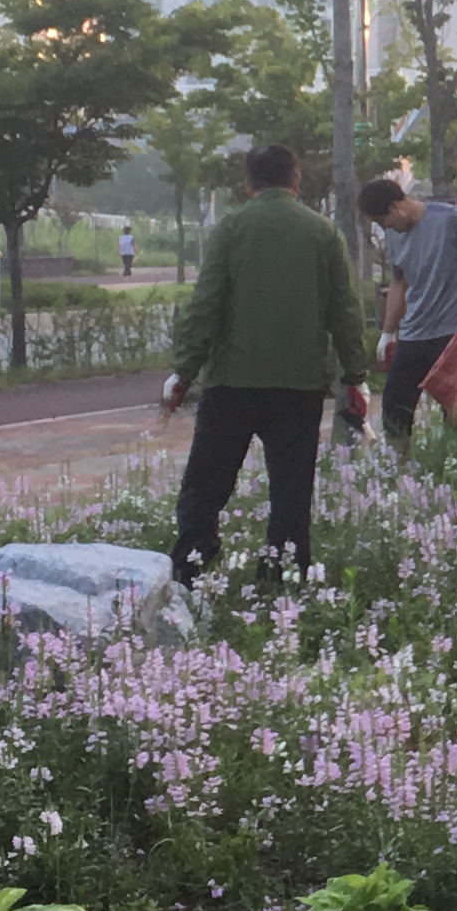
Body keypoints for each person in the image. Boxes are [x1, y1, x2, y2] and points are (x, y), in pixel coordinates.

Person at [161, 142, 373, 584]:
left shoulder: (231, 228)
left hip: (232, 382)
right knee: (291, 490)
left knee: (206, 486)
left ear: (248, 183)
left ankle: (190, 570)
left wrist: (184, 370)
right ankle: (282, 576)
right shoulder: (322, 232)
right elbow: (346, 312)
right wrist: (355, 375)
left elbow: (206, 304)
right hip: (298, 386)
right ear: (296, 180)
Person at [362, 172, 457, 447]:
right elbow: (400, 283)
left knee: (456, 410)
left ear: (394, 207)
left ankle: (456, 471)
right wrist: (388, 333)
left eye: (382, 221)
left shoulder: (451, 218)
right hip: (414, 333)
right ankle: (398, 466)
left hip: (452, 333)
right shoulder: (395, 237)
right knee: (395, 405)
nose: (384, 228)